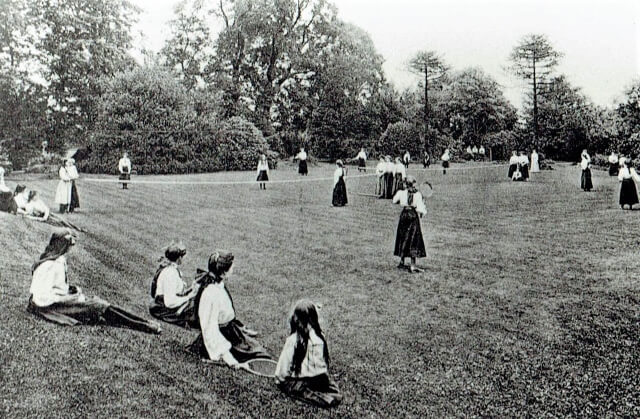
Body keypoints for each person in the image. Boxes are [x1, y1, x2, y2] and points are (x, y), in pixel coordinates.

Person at [28, 229, 161, 333]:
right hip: (53, 307)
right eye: (69, 246)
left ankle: (145, 322)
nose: (70, 249)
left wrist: (71, 290)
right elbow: (42, 297)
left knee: (102, 305)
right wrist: (70, 298)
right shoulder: (49, 265)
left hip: (61, 300)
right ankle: (144, 326)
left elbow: (57, 286)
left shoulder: (58, 260)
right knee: (100, 307)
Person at [187, 252, 271, 365]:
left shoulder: (218, 284)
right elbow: (209, 328)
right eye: (231, 266)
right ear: (222, 273)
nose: (234, 267)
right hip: (221, 336)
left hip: (231, 331)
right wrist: (228, 358)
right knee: (260, 356)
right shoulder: (210, 293)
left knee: (261, 352)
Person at [275, 299, 342, 408]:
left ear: (295, 319)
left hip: (304, 381)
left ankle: (323, 398)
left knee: (291, 386)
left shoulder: (293, 340)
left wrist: (279, 380)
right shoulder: (320, 337)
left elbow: (282, 371)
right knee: (327, 386)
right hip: (320, 378)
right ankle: (325, 392)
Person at [149, 243, 199, 328]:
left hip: (165, 305)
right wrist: (189, 297)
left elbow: (176, 292)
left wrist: (191, 289)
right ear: (179, 258)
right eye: (182, 257)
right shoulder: (170, 273)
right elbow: (170, 302)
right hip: (164, 308)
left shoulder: (171, 269)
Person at [393, 176, 427, 273]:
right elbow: (420, 209)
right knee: (413, 239)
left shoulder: (401, 193)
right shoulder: (418, 195)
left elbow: (394, 200)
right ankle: (412, 265)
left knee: (403, 237)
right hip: (412, 215)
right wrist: (422, 210)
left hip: (404, 215)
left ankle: (402, 261)